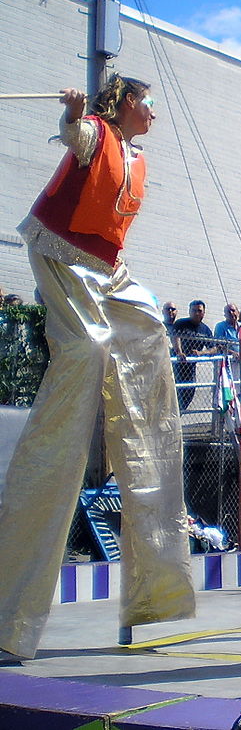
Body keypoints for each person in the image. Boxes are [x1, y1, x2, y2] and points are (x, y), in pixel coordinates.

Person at [0, 76, 194, 662]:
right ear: (125, 104)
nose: (154, 112)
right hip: (61, 255)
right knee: (87, 350)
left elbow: (112, 222)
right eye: (149, 102)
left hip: (108, 267)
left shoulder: (137, 157)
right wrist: (76, 116)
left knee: (151, 329)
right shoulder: (99, 134)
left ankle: (155, 587)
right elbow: (77, 136)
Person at [172, 299, 217, 411]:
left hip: (190, 368)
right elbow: (175, 336)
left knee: (189, 393)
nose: (196, 313)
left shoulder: (205, 329)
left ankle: (179, 414)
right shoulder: (181, 324)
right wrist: (179, 352)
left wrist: (201, 353)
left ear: (203, 312)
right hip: (176, 366)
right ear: (189, 311)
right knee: (173, 392)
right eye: (194, 310)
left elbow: (213, 348)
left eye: (199, 310)